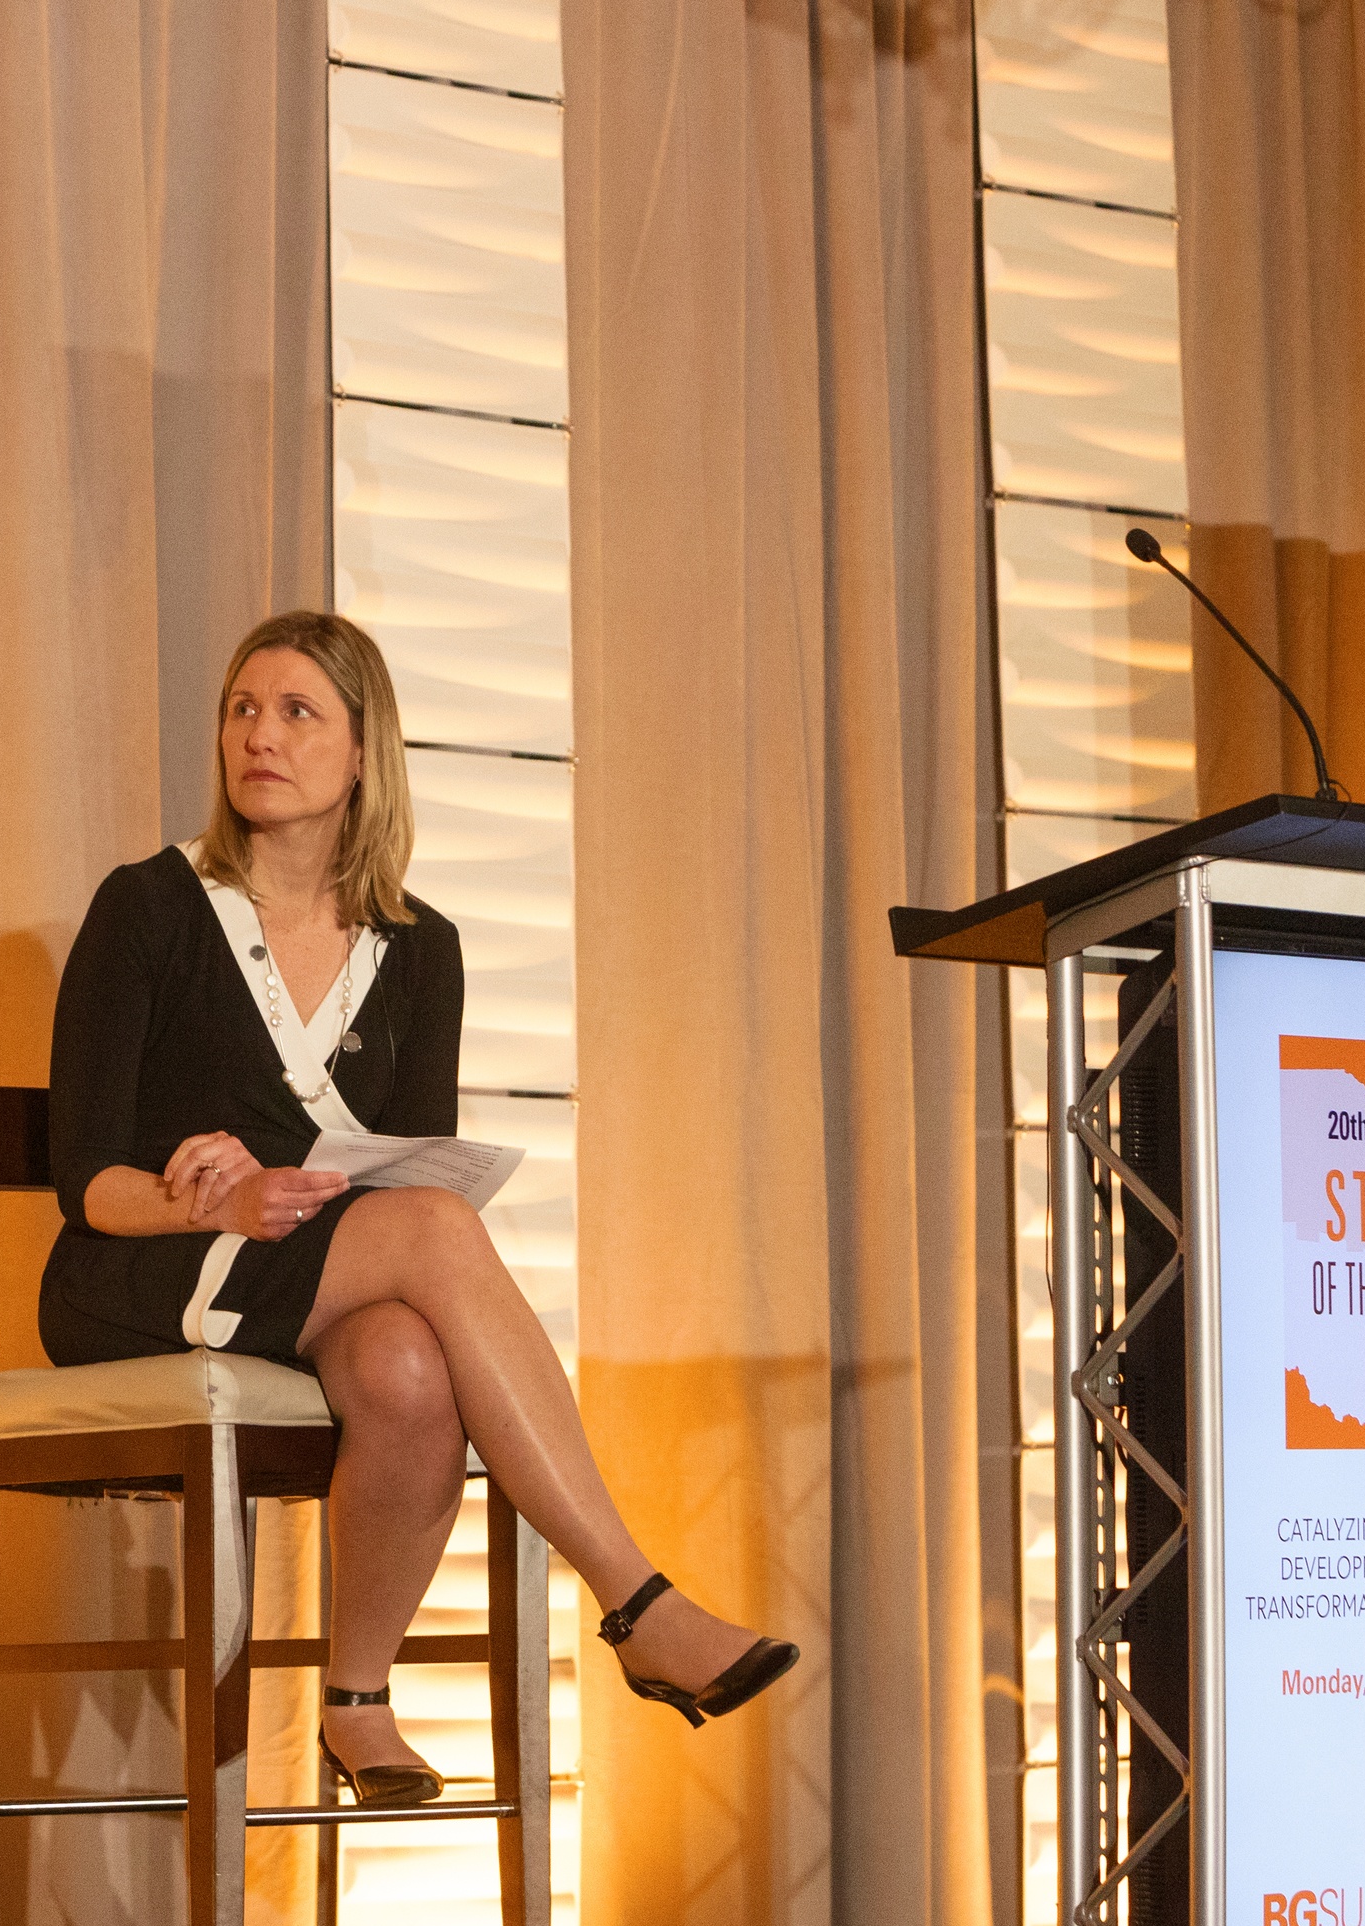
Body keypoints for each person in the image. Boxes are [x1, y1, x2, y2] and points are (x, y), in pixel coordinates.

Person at [40, 610, 800, 1804]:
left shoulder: (419, 946)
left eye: (298, 713)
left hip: (317, 1280)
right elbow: (83, 1180)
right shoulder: (148, 907)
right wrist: (212, 1207)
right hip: (142, 1277)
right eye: (244, 708)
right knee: (440, 1237)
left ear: (362, 755)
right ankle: (635, 1599)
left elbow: (398, 1165)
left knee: (405, 1365)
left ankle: (356, 1699)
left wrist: (329, 1203)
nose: (260, 735)